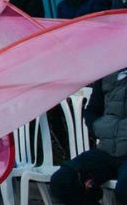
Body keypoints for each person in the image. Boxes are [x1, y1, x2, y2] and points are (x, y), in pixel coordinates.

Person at [50, 68, 127, 204]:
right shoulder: (109, 73)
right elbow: (92, 110)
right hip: (106, 151)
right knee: (62, 181)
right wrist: (98, 128)